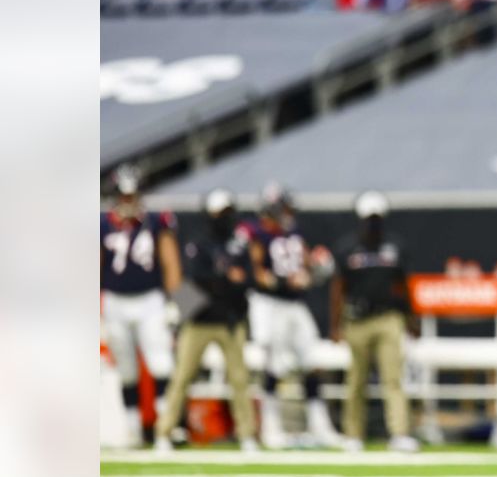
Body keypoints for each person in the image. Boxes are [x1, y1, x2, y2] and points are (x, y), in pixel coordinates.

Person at [154, 189, 258, 453]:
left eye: (227, 213)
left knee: (239, 379)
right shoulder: (199, 243)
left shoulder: (238, 244)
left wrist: (223, 280)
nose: (225, 218)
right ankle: (164, 432)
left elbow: (246, 279)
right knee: (182, 377)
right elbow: (196, 280)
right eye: (220, 213)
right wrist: (225, 279)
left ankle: (247, 434)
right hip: (199, 319)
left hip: (230, 320)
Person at [242, 182, 342, 449]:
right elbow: (257, 272)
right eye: (283, 207)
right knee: (274, 365)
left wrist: (318, 268)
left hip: (295, 305)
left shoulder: (295, 232)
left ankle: (320, 425)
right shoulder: (258, 234)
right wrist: (284, 281)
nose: (288, 213)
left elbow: (307, 264)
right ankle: (270, 427)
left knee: (312, 362)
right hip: (271, 304)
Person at [330, 191, 419, 453]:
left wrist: (411, 318)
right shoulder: (348, 247)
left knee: (393, 377)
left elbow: (404, 285)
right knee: (356, 380)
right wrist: (335, 325)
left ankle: (399, 432)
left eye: (376, 218)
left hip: (388, 318)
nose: (373, 223)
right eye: (369, 218)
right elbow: (338, 288)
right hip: (357, 319)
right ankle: (353, 434)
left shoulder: (395, 246)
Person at [101, 165, 182, 447]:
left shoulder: (158, 221)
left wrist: (178, 304)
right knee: (126, 368)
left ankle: (164, 427)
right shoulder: (102, 224)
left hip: (150, 299)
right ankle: (133, 428)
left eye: (133, 195)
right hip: (115, 300)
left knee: (161, 363)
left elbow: (171, 263)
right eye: (123, 196)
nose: (128, 202)